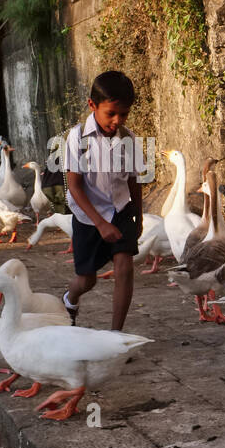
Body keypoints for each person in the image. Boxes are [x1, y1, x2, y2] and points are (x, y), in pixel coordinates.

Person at [62, 70, 146, 331]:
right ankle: (70, 297)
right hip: (88, 216)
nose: (117, 120)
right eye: (111, 113)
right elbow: (74, 187)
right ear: (92, 105)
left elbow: (134, 180)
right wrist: (99, 223)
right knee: (87, 280)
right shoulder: (77, 138)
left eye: (124, 114)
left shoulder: (130, 139)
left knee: (125, 267)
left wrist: (138, 215)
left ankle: (115, 334)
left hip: (121, 210)